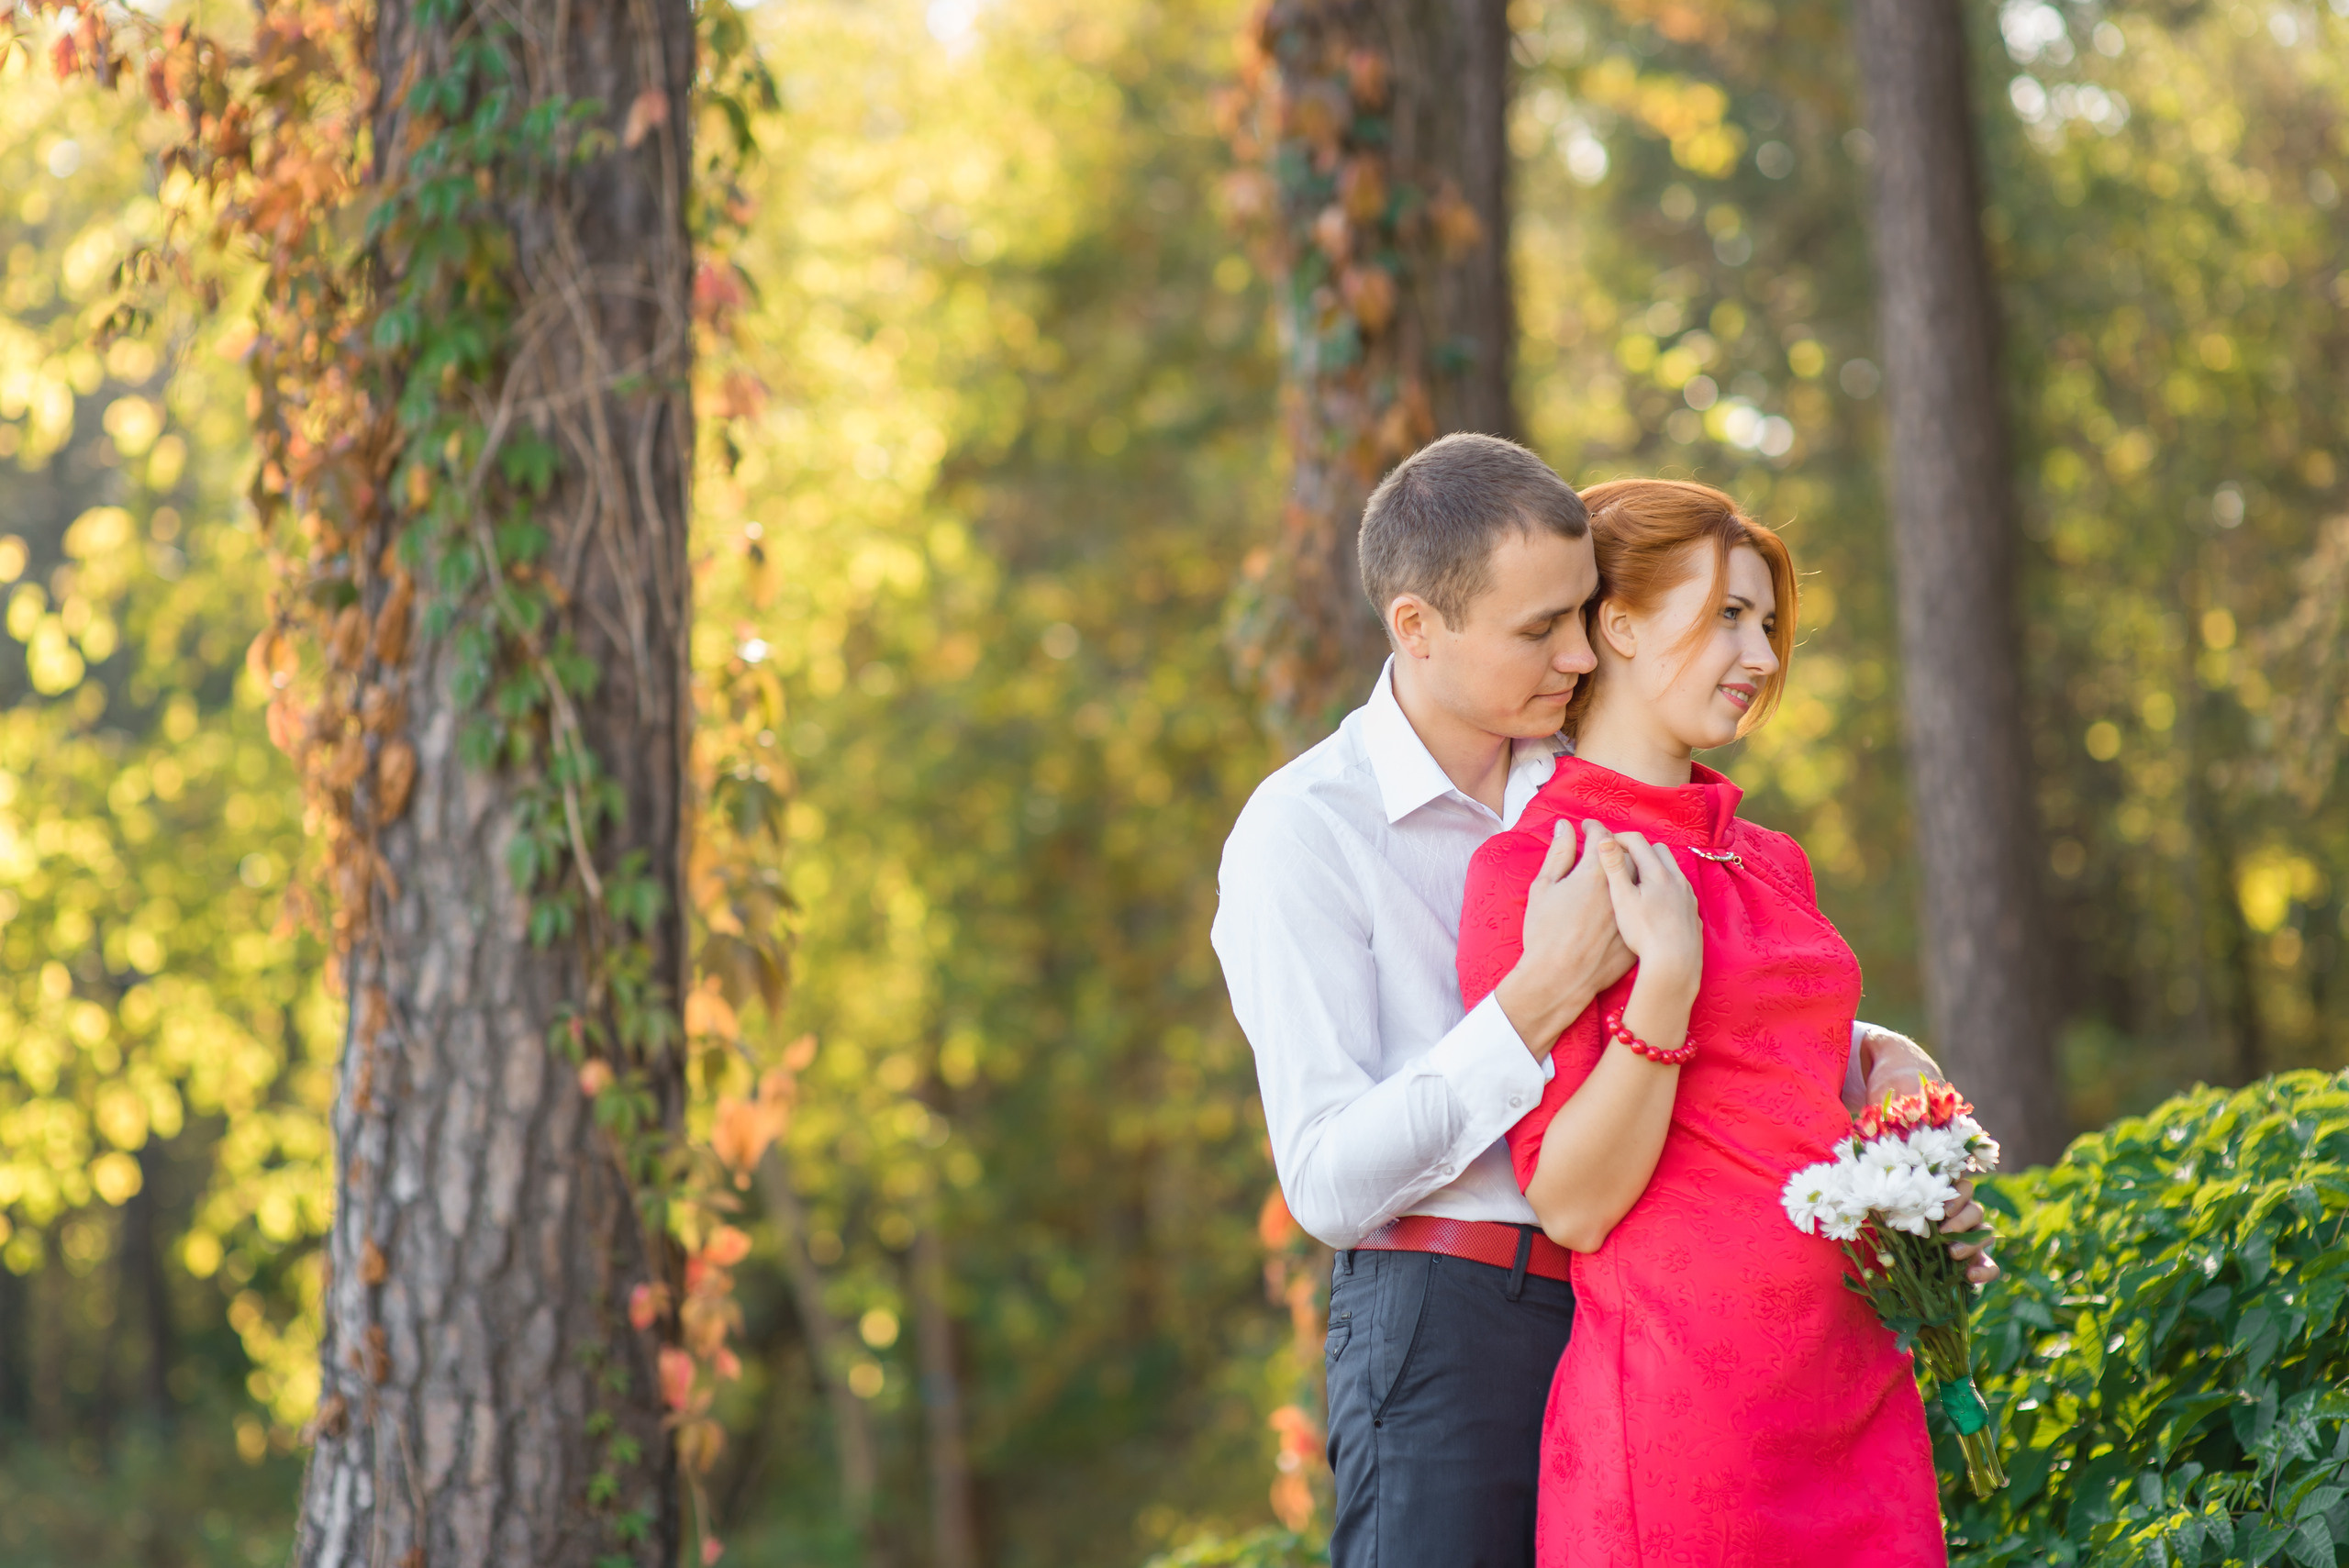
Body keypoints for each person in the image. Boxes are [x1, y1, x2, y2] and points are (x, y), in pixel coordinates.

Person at [1211, 437, 1972, 1568]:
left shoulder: (1584, 769)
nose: (1575, 651)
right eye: (1539, 629)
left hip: (1646, 1309)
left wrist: (1877, 1051)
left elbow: (1736, 1011)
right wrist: (1539, 993)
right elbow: (1324, 1179)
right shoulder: (1307, 829)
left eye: (1581, 613)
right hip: (1452, 1312)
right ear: (1418, 627)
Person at [1455, 479, 1985, 1568]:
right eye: (1727, 614)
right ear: (1618, 624)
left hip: (1856, 1387)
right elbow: (1572, 1202)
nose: (1760, 652)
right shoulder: (1540, 866)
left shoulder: (1771, 859)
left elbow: (1786, 1076)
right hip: (1690, 1426)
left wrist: (1899, 1092)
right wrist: (1667, 982)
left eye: (1767, 622)